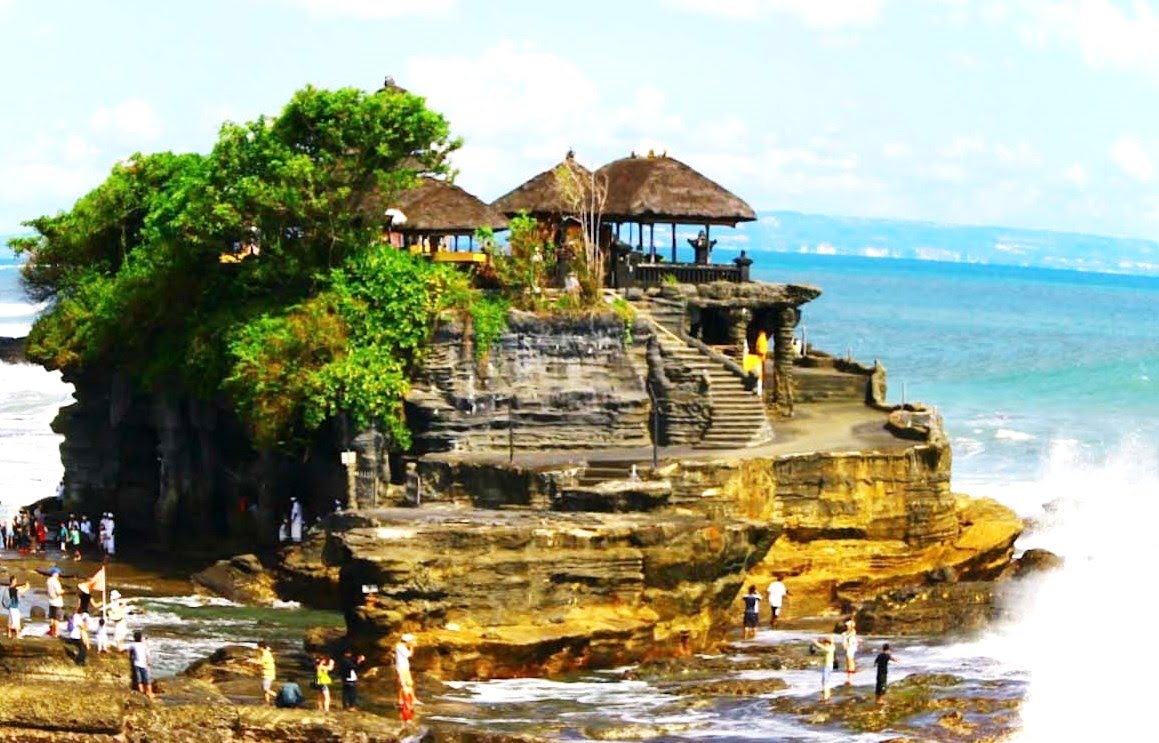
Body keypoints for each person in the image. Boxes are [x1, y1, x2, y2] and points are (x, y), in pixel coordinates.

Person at [395, 633, 418, 723]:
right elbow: (409, 655)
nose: (412, 642)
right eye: (411, 641)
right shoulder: (400, 647)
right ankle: (403, 700)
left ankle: (411, 699)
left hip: (404, 667)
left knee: (408, 684)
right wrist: (412, 647)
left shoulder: (401, 646)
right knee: (404, 684)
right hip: (402, 668)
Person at [128, 630, 154, 698]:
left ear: (134, 638)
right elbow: (147, 655)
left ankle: (142, 693)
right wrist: (148, 663)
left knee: (139, 680)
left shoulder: (133, 644)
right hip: (144, 665)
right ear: (141, 638)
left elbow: (126, 648)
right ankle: (149, 693)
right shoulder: (144, 645)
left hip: (136, 664)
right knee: (147, 680)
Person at [811, 636, 836, 701]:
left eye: (825, 643)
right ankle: (827, 696)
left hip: (828, 667)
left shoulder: (830, 649)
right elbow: (825, 659)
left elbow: (822, 647)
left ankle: (826, 697)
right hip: (827, 666)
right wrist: (817, 663)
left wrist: (816, 642)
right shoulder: (831, 647)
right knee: (824, 681)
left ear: (827, 643)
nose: (824, 644)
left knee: (825, 682)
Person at [45, 567, 64, 637]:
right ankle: (56, 633)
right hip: (57, 602)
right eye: (58, 573)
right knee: (57, 619)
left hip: (50, 601)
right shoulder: (56, 581)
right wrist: (63, 591)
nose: (59, 575)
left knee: (52, 618)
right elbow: (58, 592)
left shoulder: (48, 580)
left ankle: (52, 632)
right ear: (55, 573)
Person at [257, 641, 276, 705]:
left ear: (261, 647)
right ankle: (267, 702)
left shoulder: (265, 654)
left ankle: (278, 696)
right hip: (268, 673)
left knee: (266, 689)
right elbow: (268, 648)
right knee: (266, 690)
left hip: (268, 674)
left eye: (258, 647)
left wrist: (251, 660)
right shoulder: (267, 652)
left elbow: (261, 662)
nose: (257, 648)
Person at [842, 618, 859, 685]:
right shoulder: (846, 633)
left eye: (848, 626)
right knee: (848, 661)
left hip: (851, 647)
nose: (847, 627)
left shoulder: (852, 632)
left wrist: (851, 624)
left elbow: (852, 631)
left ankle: (850, 679)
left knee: (850, 660)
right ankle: (849, 678)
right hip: (848, 647)